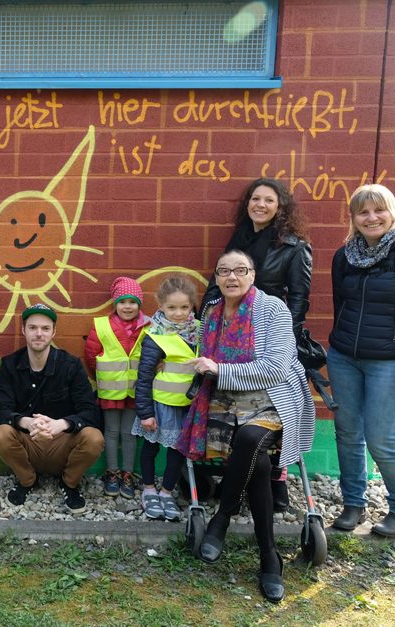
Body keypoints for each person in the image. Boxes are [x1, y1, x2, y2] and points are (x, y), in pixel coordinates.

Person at [178, 250, 315, 603]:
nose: (232, 277)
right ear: (217, 278)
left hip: (271, 398)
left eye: (240, 270)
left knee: (252, 438)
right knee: (259, 463)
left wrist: (219, 370)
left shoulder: (273, 310)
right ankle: (269, 556)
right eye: (224, 271)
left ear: (253, 275)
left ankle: (223, 515)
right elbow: (199, 357)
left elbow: (276, 369)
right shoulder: (210, 312)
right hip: (223, 402)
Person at [200, 177, 312, 512]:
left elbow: (299, 302)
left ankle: (276, 485)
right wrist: (208, 321)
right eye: (255, 199)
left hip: (268, 337)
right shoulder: (239, 239)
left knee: (268, 413)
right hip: (230, 336)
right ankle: (239, 478)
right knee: (235, 412)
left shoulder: (294, 246)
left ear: (281, 207)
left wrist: (278, 339)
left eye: (269, 200)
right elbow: (214, 288)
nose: (260, 205)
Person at [328, 184, 395, 538]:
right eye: (363, 212)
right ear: (354, 219)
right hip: (344, 359)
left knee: (381, 440)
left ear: (392, 212)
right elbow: (341, 305)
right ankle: (352, 504)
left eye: (378, 210)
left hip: (390, 362)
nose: (371, 218)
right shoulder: (344, 257)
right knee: (347, 433)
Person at [0, 303, 104, 513]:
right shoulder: (10, 365)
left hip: (62, 443)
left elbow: (90, 411)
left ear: (54, 332)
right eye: (33, 328)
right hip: (27, 442)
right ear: (23, 330)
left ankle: (69, 483)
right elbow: (2, 411)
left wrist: (61, 424)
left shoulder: (70, 365)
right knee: (0, 433)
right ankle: (27, 481)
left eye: (45, 328)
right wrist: (27, 422)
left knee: (94, 438)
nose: (39, 334)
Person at [132, 276, 199, 522]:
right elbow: (144, 376)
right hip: (159, 406)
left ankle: (166, 492)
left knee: (176, 452)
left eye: (185, 307)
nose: (179, 313)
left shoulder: (199, 332)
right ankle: (149, 489)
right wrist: (145, 412)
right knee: (151, 447)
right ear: (160, 305)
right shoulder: (155, 335)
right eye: (172, 307)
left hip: (188, 407)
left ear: (192, 305)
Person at [84, 277, 149, 499]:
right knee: (111, 432)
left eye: (132, 301)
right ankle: (112, 473)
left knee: (129, 435)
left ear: (139, 304)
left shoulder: (149, 326)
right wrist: (103, 378)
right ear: (115, 304)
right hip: (110, 391)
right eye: (122, 302)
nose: (127, 306)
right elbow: (91, 356)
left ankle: (127, 475)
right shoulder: (101, 325)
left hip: (135, 392)